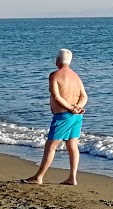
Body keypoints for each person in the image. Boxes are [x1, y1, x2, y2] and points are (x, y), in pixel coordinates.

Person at [24, 48, 89, 185]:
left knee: (51, 147)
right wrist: (78, 107)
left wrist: (72, 108)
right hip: (76, 116)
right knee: (72, 146)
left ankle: (39, 177)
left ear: (58, 60)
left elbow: (56, 96)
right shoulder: (76, 76)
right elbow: (84, 96)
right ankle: (72, 177)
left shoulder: (55, 75)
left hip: (63, 116)